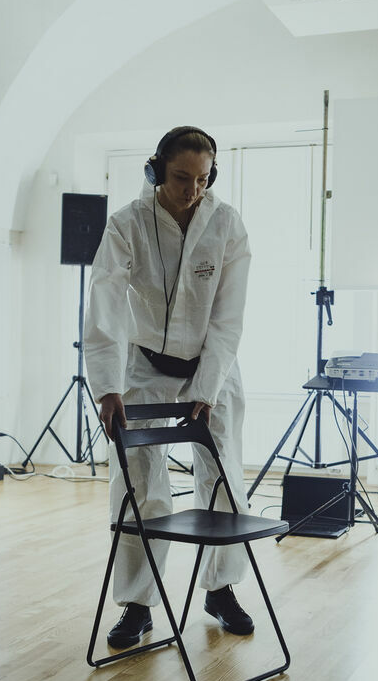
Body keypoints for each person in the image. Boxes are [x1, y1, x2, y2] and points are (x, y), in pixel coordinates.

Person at [83, 126, 254, 649]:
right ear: (156, 169)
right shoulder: (126, 224)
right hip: (144, 368)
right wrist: (107, 387)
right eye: (181, 177)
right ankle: (138, 604)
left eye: (203, 179)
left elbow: (228, 318)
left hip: (213, 367)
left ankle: (220, 589)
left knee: (223, 477)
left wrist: (206, 388)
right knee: (138, 482)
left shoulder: (227, 225)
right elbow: (106, 307)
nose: (191, 190)